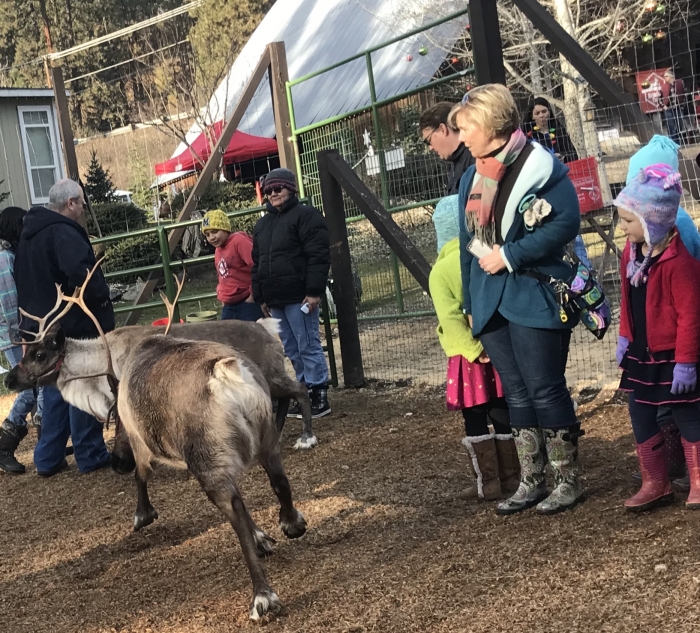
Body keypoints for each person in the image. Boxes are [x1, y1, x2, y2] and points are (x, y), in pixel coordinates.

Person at [454, 84, 584, 516]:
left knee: (544, 388)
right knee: (515, 393)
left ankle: (566, 480)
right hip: (490, 299)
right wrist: (471, 298)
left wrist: (510, 254)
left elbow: (565, 221)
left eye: (466, 127)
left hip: (533, 291)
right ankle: (532, 480)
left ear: (490, 123)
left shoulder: (542, 167)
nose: (462, 136)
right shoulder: (470, 176)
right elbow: (466, 242)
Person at [615, 163, 700, 511]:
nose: (623, 227)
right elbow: (626, 298)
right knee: (640, 411)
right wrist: (624, 336)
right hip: (643, 352)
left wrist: (687, 362)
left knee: (687, 414)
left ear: (654, 221)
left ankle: (697, 479)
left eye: (629, 220)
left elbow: (691, 316)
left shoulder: (680, 264)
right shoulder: (629, 255)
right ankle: (656, 480)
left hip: (673, 356)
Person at [15, 179, 114, 476]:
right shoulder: (62, 232)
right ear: (70, 203)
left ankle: (47, 457)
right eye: (81, 203)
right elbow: (80, 271)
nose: (83, 209)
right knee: (81, 382)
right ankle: (90, 453)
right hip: (71, 324)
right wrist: (100, 293)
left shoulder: (28, 236)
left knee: (57, 386)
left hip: (42, 324)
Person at [429, 200, 519, 501]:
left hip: (468, 359)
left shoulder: (440, 271)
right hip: (498, 347)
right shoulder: (487, 254)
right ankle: (514, 477)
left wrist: (473, 348)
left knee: (475, 415)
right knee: (502, 407)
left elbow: (450, 318)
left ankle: (488, 484)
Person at [251, 168, 331, 418]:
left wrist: (314, 291)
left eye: (278, 189)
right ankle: (303, 390)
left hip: (300, 295)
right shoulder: (262, 225)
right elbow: (258, 262)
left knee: (308, 344)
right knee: (292, 348)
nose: (273, 194)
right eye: (269, 190)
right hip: (276, 298)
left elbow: (318, 255)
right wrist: (261, 296)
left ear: (291, 189)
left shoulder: (306, 216)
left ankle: (319, 393)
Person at [0, 207, 43, 474]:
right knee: (28, 389)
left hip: (21, 335)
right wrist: (24, 335)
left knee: (37, 387)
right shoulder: (5, 259)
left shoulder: (13, 254)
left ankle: (47, 445)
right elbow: (9, 303)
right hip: (16, 338)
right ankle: (5, 444)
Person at [202, 209, 262, 322]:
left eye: (215, 231)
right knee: (227, 337)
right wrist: (222, 294)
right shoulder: (218, 249)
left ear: (225, 228)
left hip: (246, 302)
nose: (211, 237)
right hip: (229, 304)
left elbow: (257, 266)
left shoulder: (239, 241)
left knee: (250, 336)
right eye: (207, 234)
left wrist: (252, 295)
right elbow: (222, 274)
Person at [420, 102, 474, 195]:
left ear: (442, 129)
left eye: (429, 140)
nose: (430, 147)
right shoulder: (455, 164)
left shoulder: (474, 157)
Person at [522, 97, 579, 164]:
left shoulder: (559, 129)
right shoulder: (528, 135)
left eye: (544, 111)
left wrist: (563, 158)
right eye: (537, 113)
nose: (541, 115)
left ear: (549, 112)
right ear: (532, 116)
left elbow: (573, 155)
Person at [661, 71, 687, 144]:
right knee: (670, 126)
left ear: (671, 76)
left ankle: (678, 142)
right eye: (665, 76)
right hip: (669, 109)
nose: (665, 78)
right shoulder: (663, 86)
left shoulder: (680, 83)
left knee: (679, 125)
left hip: (678, 108)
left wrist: (682, 105)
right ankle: (674, 143)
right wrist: (663, 106)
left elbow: (685, 93)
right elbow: (658, 97)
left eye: (667, 76)